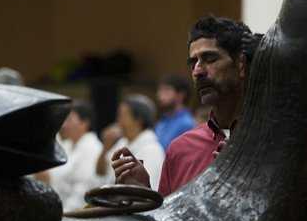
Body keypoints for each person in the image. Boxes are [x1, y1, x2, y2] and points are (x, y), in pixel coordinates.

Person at [112, 16, 259, 195]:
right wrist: (143, 193)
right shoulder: (181, 149)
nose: (197, 71)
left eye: (210, 59)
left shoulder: (272, 144)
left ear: (241, 65)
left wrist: (242, 178)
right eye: (193, 63)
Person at [42, 101, 103, 211]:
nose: (64, 125)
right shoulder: (66, 145)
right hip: (56, 207)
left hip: (75, 213)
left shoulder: (92, 148)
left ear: (84, 123)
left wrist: (65, 214)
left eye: (69, 120)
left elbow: (83, 190)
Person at [96, 94, 165, 189]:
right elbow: (100, 172)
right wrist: (106, 146)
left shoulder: (152, 150)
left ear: (138, 120)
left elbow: (146, 192)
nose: (118, 121)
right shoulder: (122, 142)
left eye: (122, 116)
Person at [154, 74, 195, 151]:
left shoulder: (186, 124)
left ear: (180, 95)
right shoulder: (162, 120)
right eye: (160, 90)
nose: (159, 95)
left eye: (166, 90)